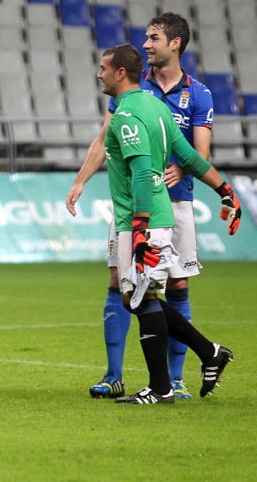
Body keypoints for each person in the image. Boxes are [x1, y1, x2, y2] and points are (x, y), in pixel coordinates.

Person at [67, 14, 218, 400]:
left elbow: (199, 154)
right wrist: (82, 179)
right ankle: (115, 374)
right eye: (146, 40)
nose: (147, 45)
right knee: (122, 284)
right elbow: (104, 140)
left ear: (176, 44)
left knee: (174, 285)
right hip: (136, 203)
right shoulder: (136, 89)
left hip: (173, 201)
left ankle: (175, 378)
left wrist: (176, 169)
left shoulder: (197, 94)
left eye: (154, 39)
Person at [92, 43, 238, 404]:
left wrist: (139, 227)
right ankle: (209, 353)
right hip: (153, 216)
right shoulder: (155, 107)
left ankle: (161, 388)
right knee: (137, 296)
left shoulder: (126, 117)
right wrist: (223, 188)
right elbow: (187, 155)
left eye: (103, 68)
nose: (99, 74)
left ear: (120, 73)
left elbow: (142, 172)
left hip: (141, 220)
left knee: (140, 299)